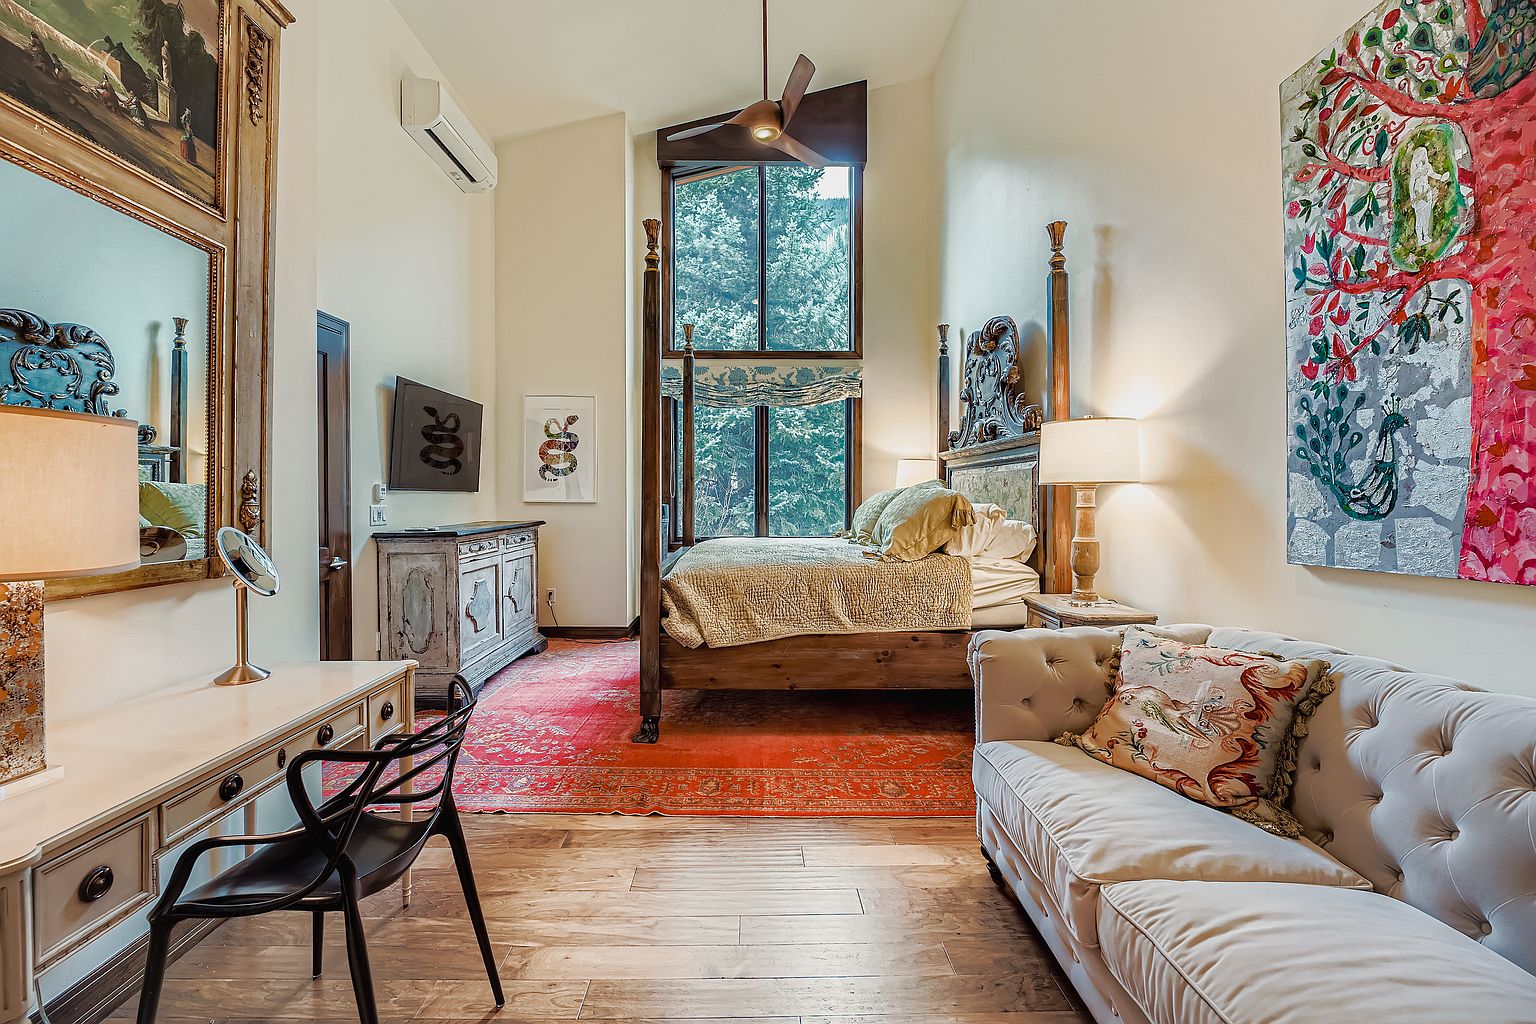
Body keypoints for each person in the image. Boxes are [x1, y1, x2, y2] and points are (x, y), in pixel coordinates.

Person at [1408, 146, 1449, 249]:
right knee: (1419, 217)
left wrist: (1441, 177)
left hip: (1427, 192)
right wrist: (1412, 197)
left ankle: (1426, 236)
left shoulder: (1427, 167)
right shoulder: (1414, 170)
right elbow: (1411, 184)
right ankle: (1420, 238)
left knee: (1427, 215)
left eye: (1423, 154)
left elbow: (1433, 174)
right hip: (1418, 193)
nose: (1421, 156)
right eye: (1419, 154)